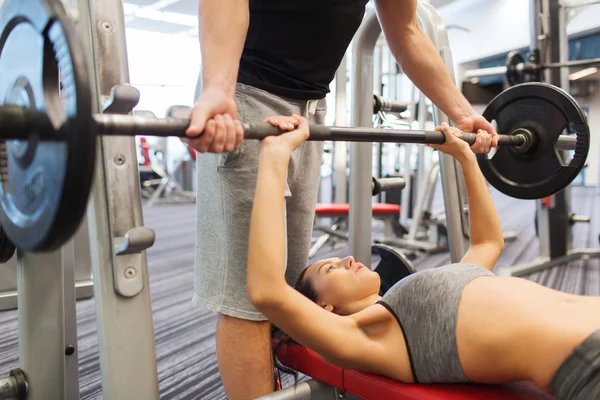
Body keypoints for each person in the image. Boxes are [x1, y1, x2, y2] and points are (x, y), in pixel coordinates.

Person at [185, 0, 499, 398]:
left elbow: (406, 30)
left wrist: (460, 112)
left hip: (312, 107)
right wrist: (217, 88)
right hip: (246, 92)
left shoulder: (388, 321)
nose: (350, 258)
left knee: (282, 284)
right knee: (249, 300)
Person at [246, 116, 600, 400]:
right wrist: (275, 158)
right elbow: (267, 292)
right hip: (584, 356)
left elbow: (489, 241)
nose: (347, 258)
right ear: (324, 310)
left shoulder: (408, 298)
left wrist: (464, 157)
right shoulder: (366, 336)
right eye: (331, 268)